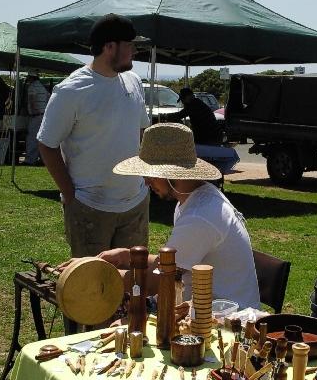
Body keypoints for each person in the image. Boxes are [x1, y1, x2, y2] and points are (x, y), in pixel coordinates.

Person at [98, 122, 260, 309]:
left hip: (225, 321)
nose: (146, 180)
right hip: (202, 308)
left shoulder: (200, 216)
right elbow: (170, 264)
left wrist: (96, 273)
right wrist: (127, 257)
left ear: (173, 174)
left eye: (151, 174)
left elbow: (158, 282)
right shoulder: (195, 198)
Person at [37, 14, 151, 257]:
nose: (134, 51)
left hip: (135, 203)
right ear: (110, 47)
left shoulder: (133, 82)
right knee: (91, 288)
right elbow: (47, 143)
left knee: (134, 285)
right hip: (90, 206)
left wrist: (145, 179)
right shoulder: (71, 90)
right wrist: (70, 194)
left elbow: (141, 130)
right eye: (130, 45)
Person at [23, 69, 49, 165]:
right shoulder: (42, 87)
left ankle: (30, 160)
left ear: (30, 77)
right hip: (43, 115)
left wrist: (33, 112)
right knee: (41, 138)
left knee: (32, 138)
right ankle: (40, 159)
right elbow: (48, 97)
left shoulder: (32, 87)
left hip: (36, 115)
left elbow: (32, 101)